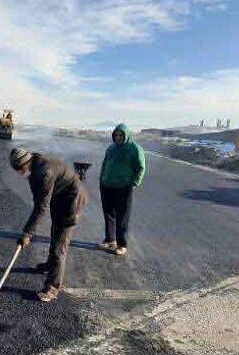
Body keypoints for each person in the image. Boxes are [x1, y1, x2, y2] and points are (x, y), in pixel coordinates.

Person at [10, 148, 88, 302]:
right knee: (55, 231)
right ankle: (51, 265)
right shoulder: (34, 166)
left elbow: (41, 206)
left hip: (72, 200)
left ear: (26, 162)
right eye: (16, 170)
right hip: (60, 196)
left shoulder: (44, 172)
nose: (19, 172)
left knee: (60, 244)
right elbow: (37, 198)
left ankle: (52, 287)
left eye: (20, 169)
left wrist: (27, 233)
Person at [98, 123, 145, 256]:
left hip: (123, 187)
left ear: (126, 135)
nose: (118, 137)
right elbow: (104, 164)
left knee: (122, 216)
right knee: (108, 214)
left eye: (120, 135)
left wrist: (134, 183)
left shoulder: (134, 148)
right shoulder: (111, 148)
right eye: (116, 135)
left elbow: (141, 167)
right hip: (107, 185)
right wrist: (102, 179)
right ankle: (110, 239)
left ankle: (122, 244)